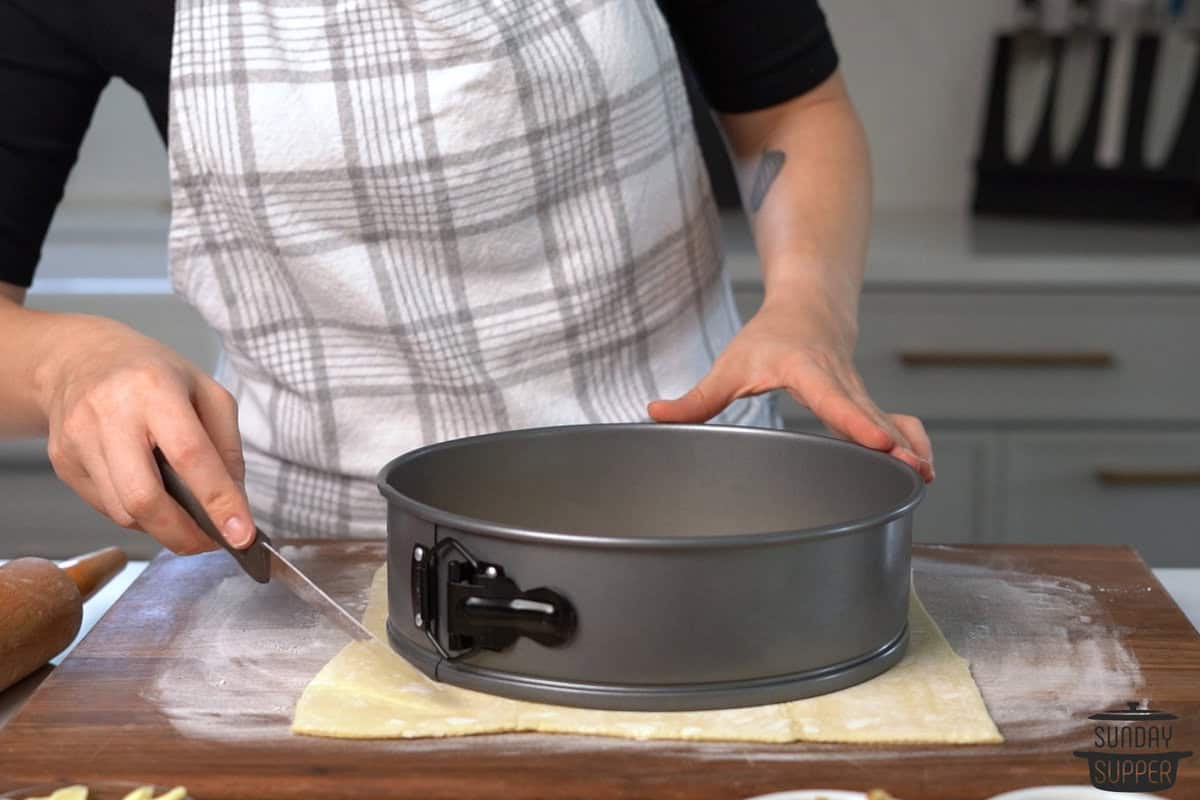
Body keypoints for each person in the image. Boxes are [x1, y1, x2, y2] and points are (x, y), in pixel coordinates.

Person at [0, 0, 933, 555]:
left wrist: (807, 305)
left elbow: (795, 113)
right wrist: (69, 365)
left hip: (700, 517)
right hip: (323, 559)